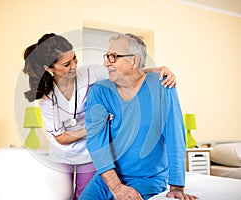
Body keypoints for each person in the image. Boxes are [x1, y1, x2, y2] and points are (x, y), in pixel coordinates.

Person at [23, 33, 177, 200]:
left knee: (83, 193)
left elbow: (125, 71)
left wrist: (159, 70)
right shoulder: (47, 97)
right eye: (67, 64)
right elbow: (61, 137)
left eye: (75, 58)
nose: (74, 66)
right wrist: (96, 126)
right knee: (62, 195)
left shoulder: (91, 73)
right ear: (49, 68)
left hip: (89, 151)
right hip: (63, 153)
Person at [81, 33, 199, 200]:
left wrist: (176, 187)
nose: (106, 63)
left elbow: (175, 134)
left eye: (113, 57)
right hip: (107, 179)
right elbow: (96, 141)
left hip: (147, 179)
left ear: (134, 61)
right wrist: (116, 186)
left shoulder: (162, 86)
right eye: (106, 57)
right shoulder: (99, 91)